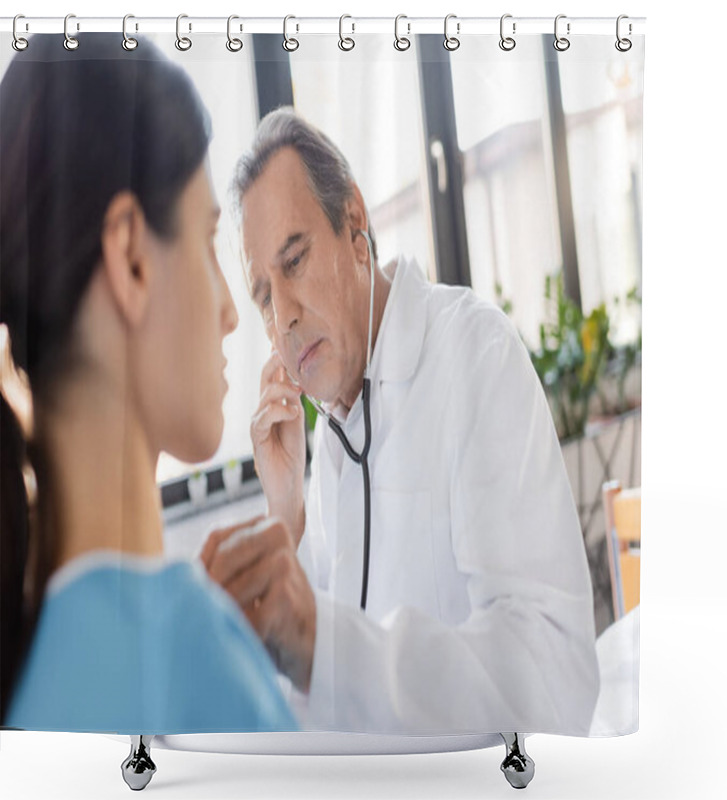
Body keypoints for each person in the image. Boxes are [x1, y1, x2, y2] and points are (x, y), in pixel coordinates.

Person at [201, 107, 600, 736]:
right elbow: (332, 695)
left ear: (354, 223)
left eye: (296, 259)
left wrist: (318, 637)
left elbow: (555, 677)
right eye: (262, 295)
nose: (284, 317)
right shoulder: (334, 435)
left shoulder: (475, 355)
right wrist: (288, 521)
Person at [0, 34, 295, 734]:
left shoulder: (30, 669)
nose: (231, 310)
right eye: (205, 239)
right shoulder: (188, 651)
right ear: (131, 256)